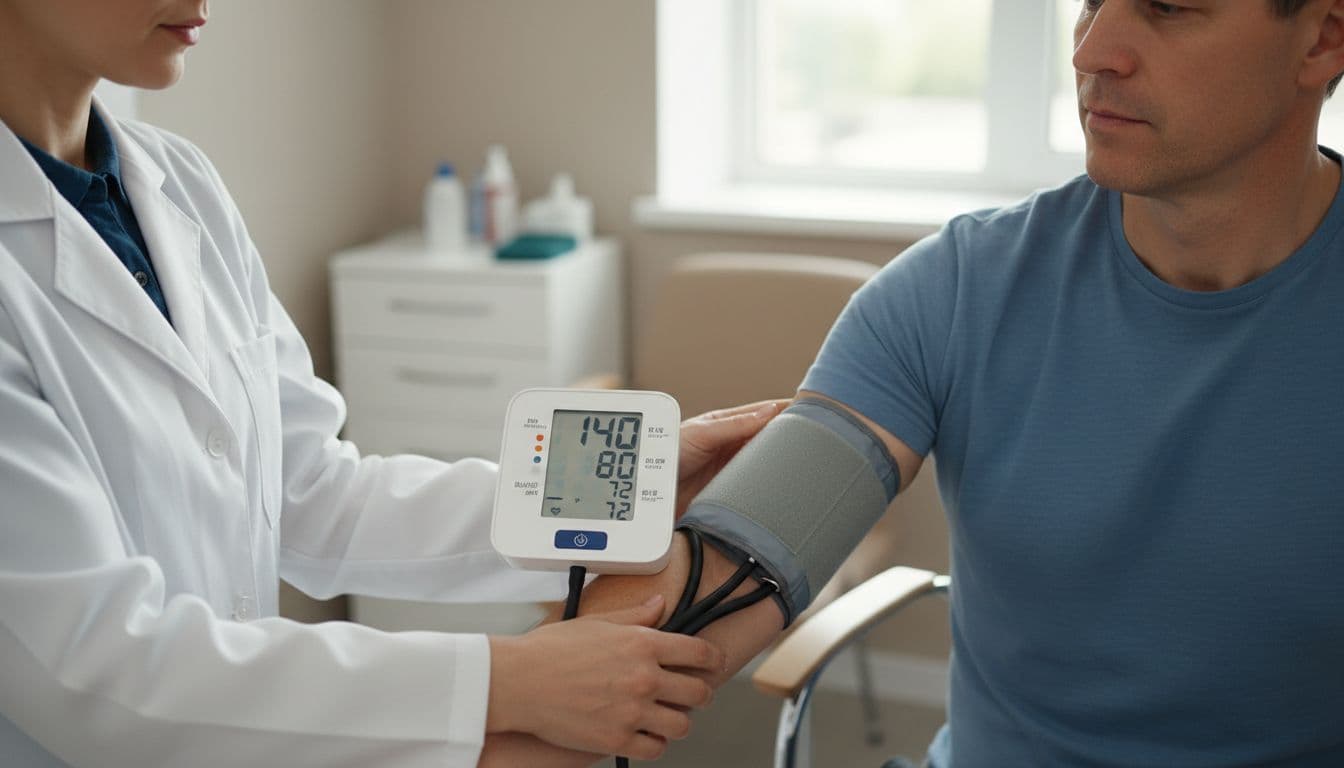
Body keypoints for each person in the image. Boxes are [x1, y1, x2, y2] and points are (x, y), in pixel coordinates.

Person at [500, 1, 1344, 766]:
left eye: (1167, 7)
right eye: (1089, 1)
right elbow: (736, 557)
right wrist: (518, 715)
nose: (1093, 47)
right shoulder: (958, 290)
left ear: (1322, 36)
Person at [0, 1, 789, 766]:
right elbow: (95, 673)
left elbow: (312, 496)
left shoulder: (176, 183)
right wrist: (505, 682)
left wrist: (622, 495)